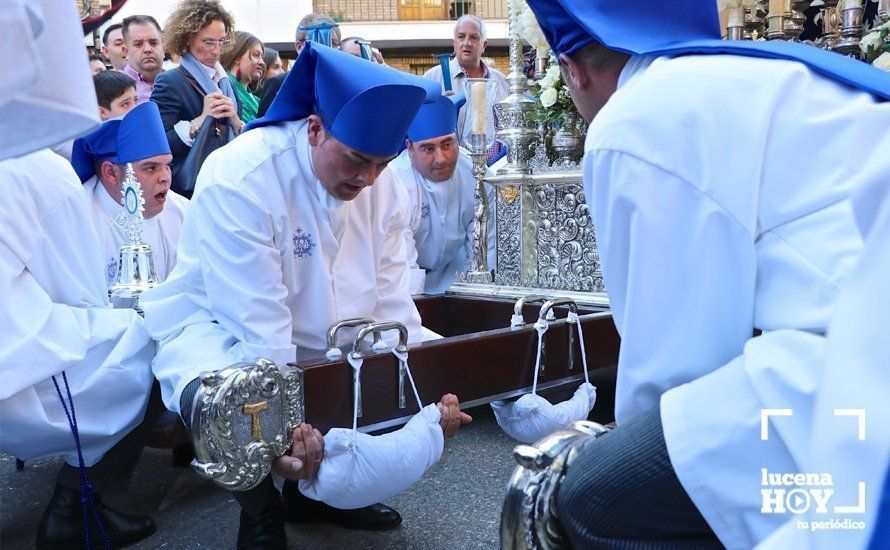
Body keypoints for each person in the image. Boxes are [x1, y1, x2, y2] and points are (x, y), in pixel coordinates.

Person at [520, 0, 890, 548]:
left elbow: (674, 370)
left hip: (857, 355)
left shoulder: (635, 116)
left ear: (570, 70)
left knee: (601, 496)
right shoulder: (758, 73)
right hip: (857, 314)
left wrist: (630, 452)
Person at [140, 43, 469, 549]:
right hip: (225, 332)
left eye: (383, 164)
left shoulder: (385, 187)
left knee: (400, 362)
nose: (367, 179)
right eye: (357, 159)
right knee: (238, 397)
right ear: (314, 128)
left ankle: (319, 495)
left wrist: (409, 386)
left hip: (339, 331)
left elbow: (391, 302)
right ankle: (260, 505)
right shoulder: (242, 177)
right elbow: (260, 327)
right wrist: (282, 433)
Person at [0, 1, 162, 547]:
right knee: (145, 341)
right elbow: (82, 291)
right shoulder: (39, 170)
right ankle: (77, 506)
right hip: (12, 369)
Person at [71, 101, 189, 287]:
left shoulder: (182, 211)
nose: (166, 177)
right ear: (111, 172)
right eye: (151, 168)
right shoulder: (77, 220)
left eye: (168, 165)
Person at [150, 0, 242, 196]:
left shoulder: (228, 83)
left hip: (231, 183)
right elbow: (160, 144)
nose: (216, 50)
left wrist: (235, 120)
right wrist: (200, 120)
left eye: (222, 41)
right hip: (192, 190)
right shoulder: (169, 81)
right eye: (208, 42)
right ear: (186, 40)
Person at [390, 94, 475, 295]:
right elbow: (403, 261)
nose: (441, 159)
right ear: (409, 148)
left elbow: (483, 246)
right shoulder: (395, 183)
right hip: (403, 285)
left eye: (447, 145)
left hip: (458, 279)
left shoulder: (474, 172)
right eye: (428, 148)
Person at [423, 14, 508, 162]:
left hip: (497, 171)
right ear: (454, 43)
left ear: (484, 45)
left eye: (474, 37)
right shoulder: (433, 78)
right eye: (461, 37)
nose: (467, 43)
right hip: (454, 171)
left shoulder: (501, 80)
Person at [257, 13, 340, 118]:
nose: (324, 47)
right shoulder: (278, 83)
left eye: (332, 42)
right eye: (315, 41)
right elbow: (263, 129)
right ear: (299, 47)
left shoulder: (342, 84)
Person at [221, 31, 265, 124]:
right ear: (237, 57)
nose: (262, 62)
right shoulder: (225, 89)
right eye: (256, 55)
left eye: (262, 57)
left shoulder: (256, 99)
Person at [121, 15, 165, 104]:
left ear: (163, 49)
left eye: (153, 43)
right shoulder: (114, 88)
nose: (147, 49)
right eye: (138, 44)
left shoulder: (179, 82)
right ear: (126, 52)